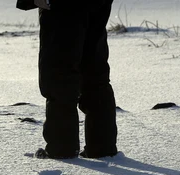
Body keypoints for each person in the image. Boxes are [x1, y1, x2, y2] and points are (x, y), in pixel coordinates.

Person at [17, 0, 118, 159]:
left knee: (59, 76)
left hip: (62, 6)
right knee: (94, 74)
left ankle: (62, 149)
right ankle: (102, 148)